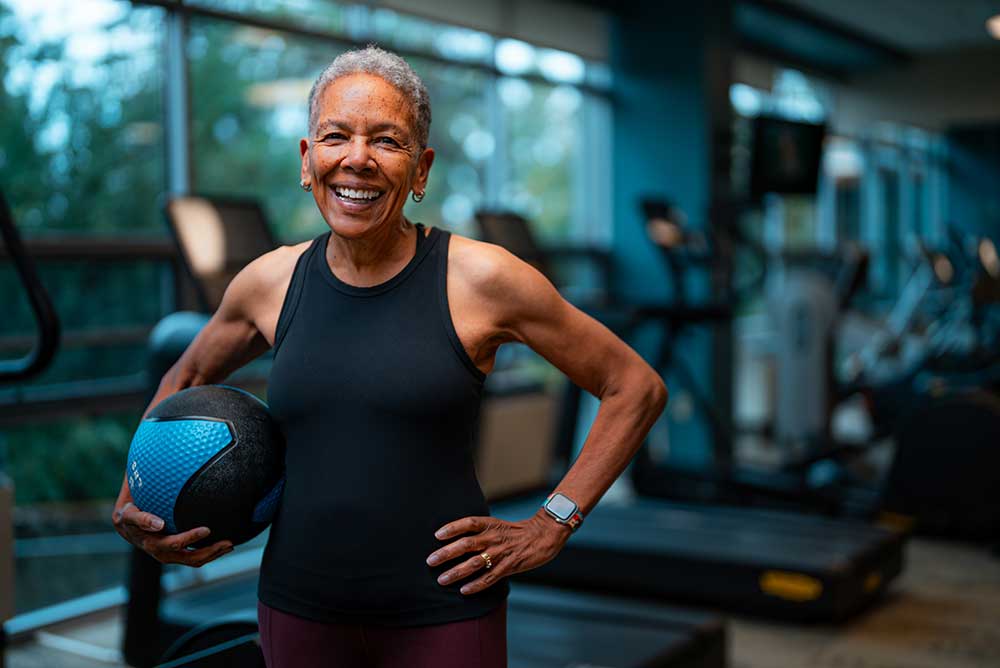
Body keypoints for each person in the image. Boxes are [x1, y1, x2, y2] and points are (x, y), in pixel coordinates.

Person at [112, 45, 667, 667]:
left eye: (387, 141)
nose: (357, 159)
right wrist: (138, 493)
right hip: (298, 605)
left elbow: (633, 386)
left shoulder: (483, 279)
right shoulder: (269, 282)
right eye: (335, 136)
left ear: (421, 169)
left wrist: (551, 523)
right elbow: (185, 374)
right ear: (307, 158)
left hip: (445, 611)